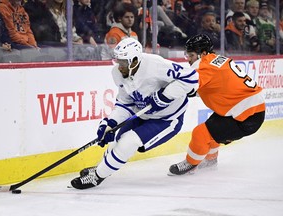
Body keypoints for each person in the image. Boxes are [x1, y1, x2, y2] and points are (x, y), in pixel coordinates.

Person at [70, 37, 199, 189]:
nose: (119, 66)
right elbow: (125, 103)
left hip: (167, 119)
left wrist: (164, 97)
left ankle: (97, 176)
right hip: (142, 113)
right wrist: (110, 123)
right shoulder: (117, 73)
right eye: (118, 61)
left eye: (123, 63)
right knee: (116, 139)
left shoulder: (156, 65)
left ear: (135, 60)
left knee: (129, 141)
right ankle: (102, 169)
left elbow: (192, 77)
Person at [168, 34, 265, 176]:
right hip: (251, 110)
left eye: (192, 55)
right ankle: (211, 160)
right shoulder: (218, 60)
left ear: (203, 53)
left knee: (200, 133)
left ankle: (190, 164)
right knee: (212, 130)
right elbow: (211, 85)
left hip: (246, 115)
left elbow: (187, 85)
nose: (189, 59)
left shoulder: (204, 65)